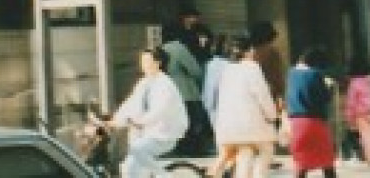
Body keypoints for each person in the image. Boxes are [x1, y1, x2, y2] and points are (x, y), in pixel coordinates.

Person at [109, 46, 190, 178]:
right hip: (146, 134)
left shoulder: (166, 84)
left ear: (158, 63)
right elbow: (130, 104)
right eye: (142, 61)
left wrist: (140, 122)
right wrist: (115, 120)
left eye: (147, 61)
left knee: (137, 149)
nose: (144, 65)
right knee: (128, 169)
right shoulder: (143, 83)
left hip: (164, 134)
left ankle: (164, 175)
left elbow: (159, 110)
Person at [207, 34, 278, 178]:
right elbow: (262, 95)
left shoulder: (227, 69)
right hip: (249, 125)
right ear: (250, 50)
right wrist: (272, 115)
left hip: (227, 126)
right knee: (266, 151)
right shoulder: (252, 67)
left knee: (245, 154)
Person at [284, 46, 338, 178]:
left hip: (295, 122)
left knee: (302, 162)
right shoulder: (314, 74)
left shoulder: (291, 73)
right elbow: (324, 98)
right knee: (326, 160)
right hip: (314, 121)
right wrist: (330, 87)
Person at [161, 20, 213, 156]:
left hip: (169, 93)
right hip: (186, 92)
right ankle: (192, 150)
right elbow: (195, 70)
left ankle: (178, 149)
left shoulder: (162, 48)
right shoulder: (178, 48)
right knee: (191, 124)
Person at [342, 56, 370, 165]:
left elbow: (351, 102)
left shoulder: (354, 83)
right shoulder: (369, 81)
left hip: (360, 112)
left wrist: (349, 116)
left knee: (365, 135)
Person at [250, 21, 288, 109]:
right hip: (270, 97)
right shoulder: (272, 53)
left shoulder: (249, 54)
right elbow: (277, 77)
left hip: (253, 99)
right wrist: (281, 95)